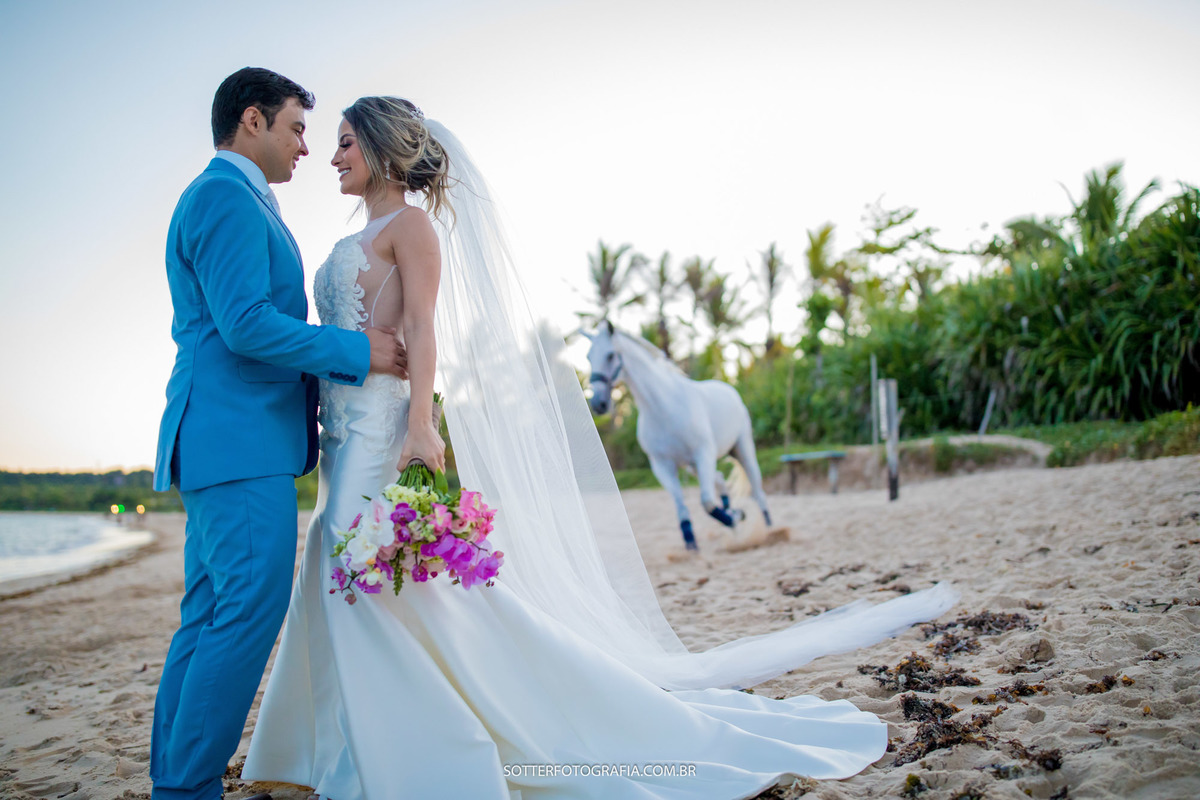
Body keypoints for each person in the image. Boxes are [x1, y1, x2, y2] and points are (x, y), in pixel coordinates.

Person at [242, 96, 958, 799]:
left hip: (385, 433)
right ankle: (347, 747)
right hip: (341, 439)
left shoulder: (413, 229)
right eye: (327, 140)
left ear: (381, 148)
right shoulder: (351, 240)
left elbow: (425, 331)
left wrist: (424, 426)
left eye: (344, 142)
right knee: (361, 584)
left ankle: (415, 753)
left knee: (371, 585)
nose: (331, 156)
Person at [150, 70, 409, 800]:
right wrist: (358, 353)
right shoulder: (225, 197)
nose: (306, 147)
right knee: (243, 616)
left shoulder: (232, 198)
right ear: (254, 120)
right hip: (237, 443)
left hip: (224, 442)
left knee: (207, 617)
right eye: (297, 127)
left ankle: (175, 782)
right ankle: (187, 788)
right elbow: (245, 325)